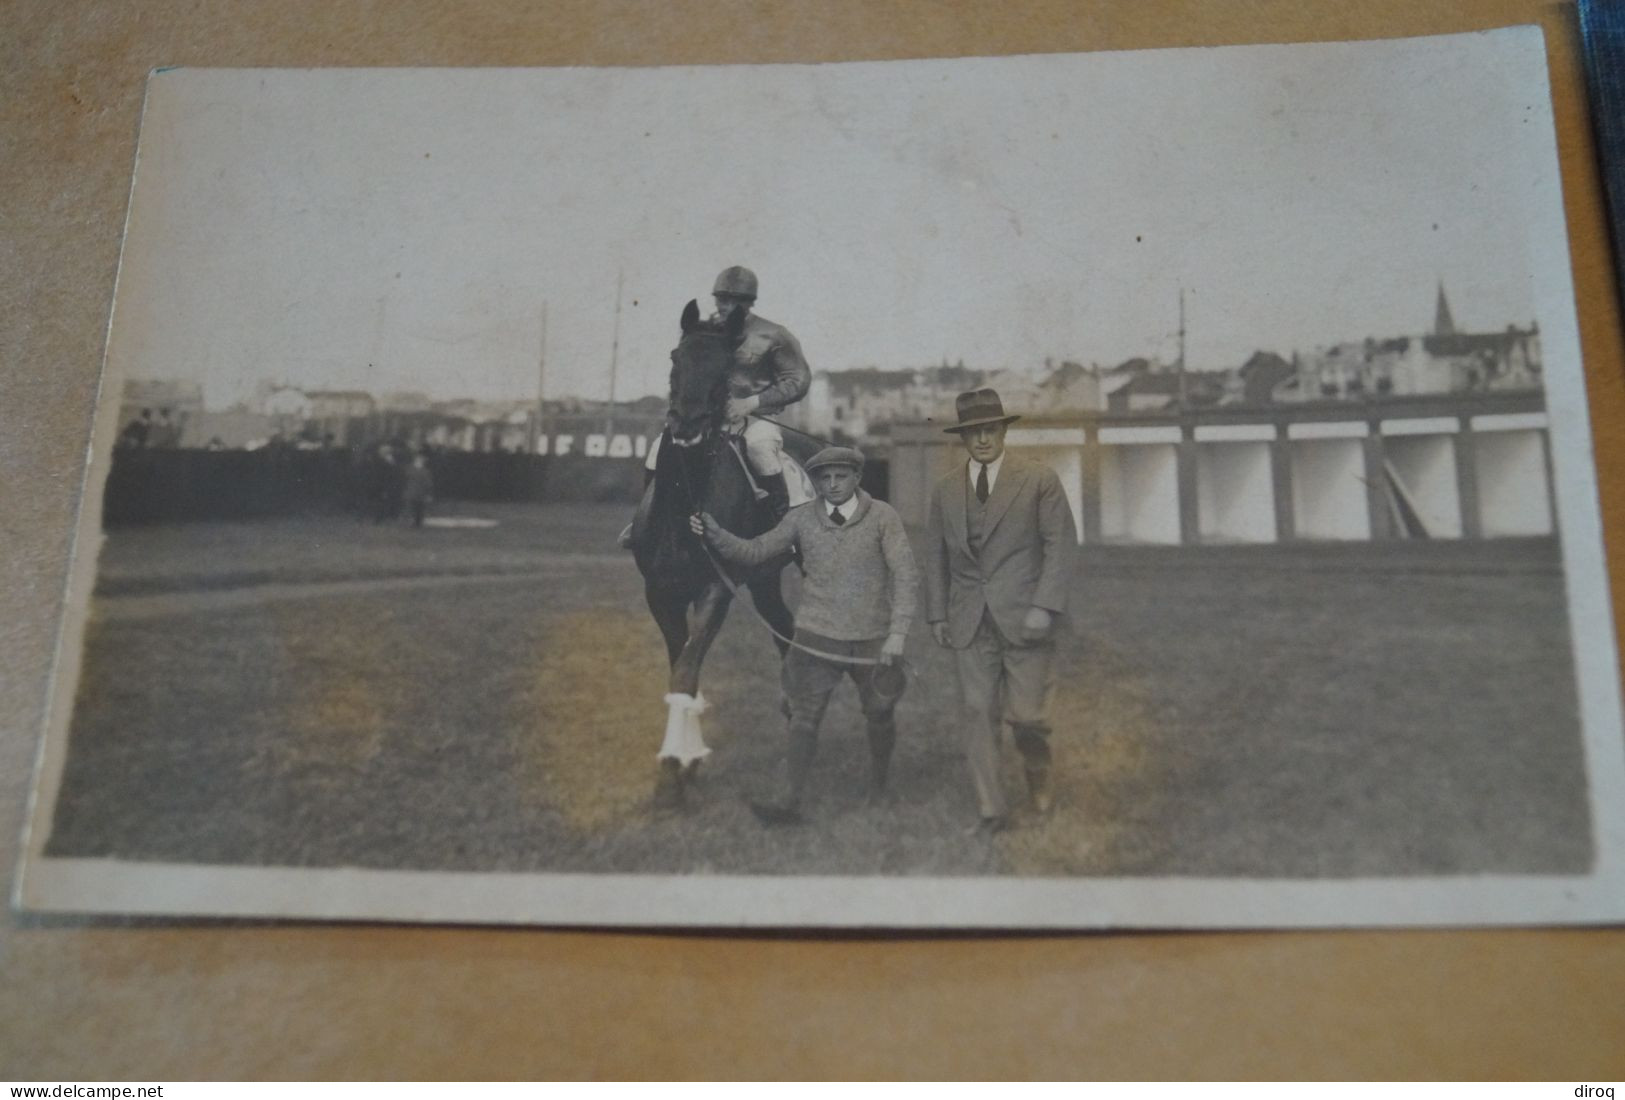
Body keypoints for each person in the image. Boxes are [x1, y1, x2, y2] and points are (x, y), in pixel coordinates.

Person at [691, 445, 918, 825]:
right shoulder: (801, 518)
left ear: (857, 478)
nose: (832, 485)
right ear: (816, 483)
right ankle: (789, 801)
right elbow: (754, 551)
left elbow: (907, 576)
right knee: (803, 716)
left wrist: (897, 635)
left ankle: (880, 786)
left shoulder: (883, 517)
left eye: (841, 476)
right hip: (815, 635)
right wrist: (713, 532)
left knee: (880, 712)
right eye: (824, 478)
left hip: (872, 636)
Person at [924, 388, 1079, 833]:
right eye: (973, 432)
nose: (983, 440)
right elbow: (935, 555)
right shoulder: (945, 490)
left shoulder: (1039, 480)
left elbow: (1060, 546)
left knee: (1029, 718)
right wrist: (937, 614)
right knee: (977, 712)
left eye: (990, 429)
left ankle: (1038, 773)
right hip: (970, 621)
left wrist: (1045, 606)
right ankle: (992, 810)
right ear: (963, 438)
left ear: (1003, 431)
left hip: (1026, 617)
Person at [622, 266, 812, 548]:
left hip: (755, 419)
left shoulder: (774, 335)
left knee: (761, 449)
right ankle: (645, 524)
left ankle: (782, 529)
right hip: (707, 419)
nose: (727, 306)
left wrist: (752, 402)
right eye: (722, 299)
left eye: (736, 300)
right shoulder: (702, 332)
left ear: (750, 302)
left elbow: (799, 380)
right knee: (656, 451)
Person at [402, 453, 434, 527]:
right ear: (415, 461)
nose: (420, 461)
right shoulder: (409, 470)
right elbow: (404, 481)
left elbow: (429, 483)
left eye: (421, 460)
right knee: (411, 507)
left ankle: (418, 522)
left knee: (420, 508)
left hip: (421, 492)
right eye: (418, 460)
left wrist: (429, 494)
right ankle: (411, 522)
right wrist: (405, 491)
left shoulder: (426, 471)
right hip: (411, 491)